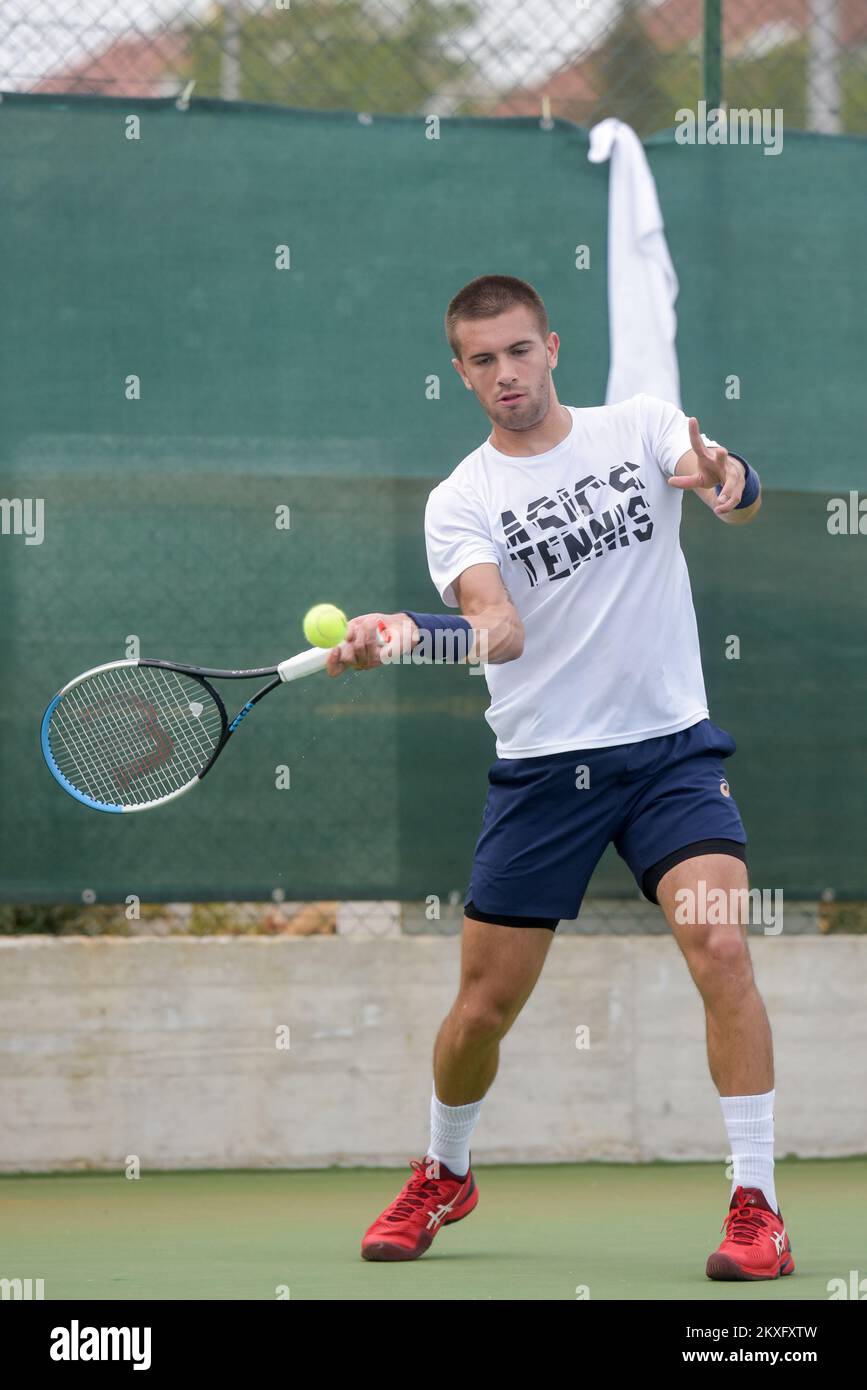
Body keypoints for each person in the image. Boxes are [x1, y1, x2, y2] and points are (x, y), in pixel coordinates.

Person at [325, 274, 793, 1281]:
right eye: (483, 359)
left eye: (520, 350)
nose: (506, 372)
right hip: (545, 771)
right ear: (460, 371)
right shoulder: (462, 500)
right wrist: (406, 632)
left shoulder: (638, 426)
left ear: (552, 347)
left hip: (671, 755)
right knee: (481, 1011)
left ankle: (755, 1203)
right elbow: (500, 627)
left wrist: (727, 476)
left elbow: (733, 490)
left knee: (720, 944)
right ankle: (446, 1168)